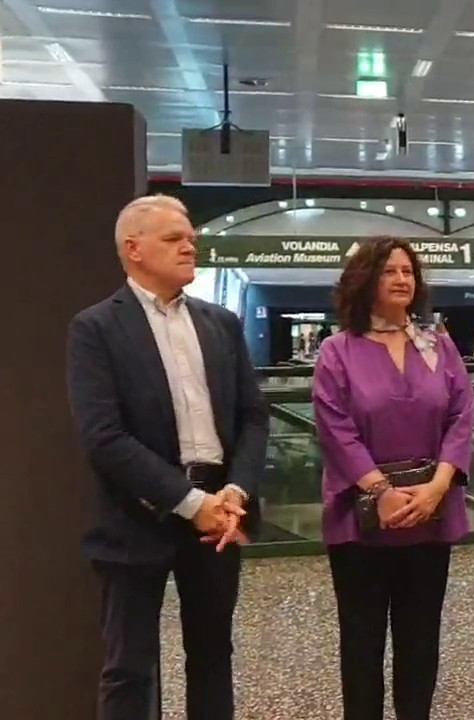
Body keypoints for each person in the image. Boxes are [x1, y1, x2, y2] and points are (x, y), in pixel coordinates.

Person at [66, 194, 268, 720]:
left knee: (213, 657)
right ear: (133, 249)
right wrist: (188, 502)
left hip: (220, 515)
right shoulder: (95, 328)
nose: (189, 247)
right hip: (137, 515)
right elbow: (104, 436)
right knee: (129, 668)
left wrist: (235, 491)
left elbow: (253, 416)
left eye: (191, 239)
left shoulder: (221, 322)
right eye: (174, 238)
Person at [312, 235, 474, 720]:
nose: (402, 279)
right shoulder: (338, 351)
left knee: (420, 642)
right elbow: (335, 429)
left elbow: (462, 415)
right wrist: (381, 492)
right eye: (390, 271)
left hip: (430, 514)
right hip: (361, 521)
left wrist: (438, 486)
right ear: (365, 280)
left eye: (408, 271)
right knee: (362, 644)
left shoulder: (438, 345)